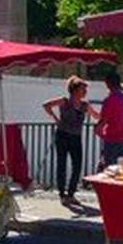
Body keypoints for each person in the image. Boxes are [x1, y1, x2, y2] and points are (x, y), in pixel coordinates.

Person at [44, 76, 99, 204]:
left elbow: (96, 115)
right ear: (74, 90)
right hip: (62, 135)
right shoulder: (64, 101)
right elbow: (46, 105)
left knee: (77, 165)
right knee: (61, 164)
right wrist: (56, 119)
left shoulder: (85, 105)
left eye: (85, 89)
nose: (85, 91)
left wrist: (108, 117)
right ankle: (62, 194)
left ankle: (71, 193)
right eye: (82, 88)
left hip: (76, 136)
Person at [95, 71, 123, 169]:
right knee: (121, 168)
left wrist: (98, 131)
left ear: (108, 84)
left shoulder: (109, 100)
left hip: (111, 137)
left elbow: (103, 120)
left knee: (110, 168)